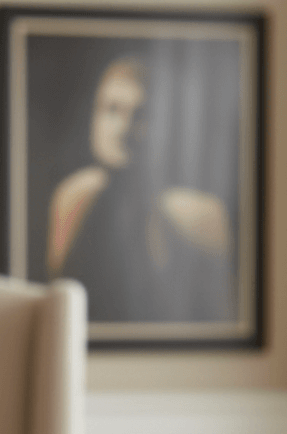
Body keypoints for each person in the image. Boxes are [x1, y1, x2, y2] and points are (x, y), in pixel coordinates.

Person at [46, 57, 234, 324]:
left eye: (141, 114)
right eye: (112, 109)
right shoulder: (74, 196)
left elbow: (218, 319)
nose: (123, 128)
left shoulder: (199, 213)